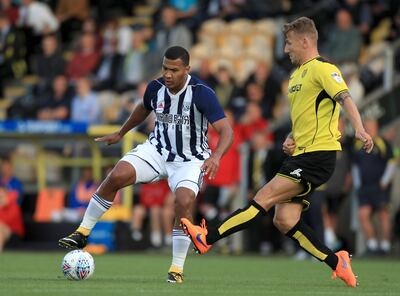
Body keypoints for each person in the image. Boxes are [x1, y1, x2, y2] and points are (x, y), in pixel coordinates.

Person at [181, 17, 374, 288]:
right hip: (301, 154)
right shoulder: (296, 76)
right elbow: (306, 116)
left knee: (263, 197)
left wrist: (360, 129)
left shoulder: (323, 68)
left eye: (289, 43)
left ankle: (207, 238)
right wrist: (292, 137)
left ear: (305, 41)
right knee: (284, 220)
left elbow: (345, 98)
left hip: (318, 155)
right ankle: (337, 262)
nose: (285, 50)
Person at [59, 46, 233, 283]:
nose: (168, 74)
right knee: (117, 174)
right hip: (157, 151)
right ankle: (82, 232)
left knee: (183, 202)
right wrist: (121, 132)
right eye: (165, 68)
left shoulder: (202, 93)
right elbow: (143, 108)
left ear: (187, 70)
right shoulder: (156, 87)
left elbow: (226, 131)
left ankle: (176, 269)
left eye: (174, 69)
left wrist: (216, 156)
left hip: (190, 160)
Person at [352, 118, 396, 255]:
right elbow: (355, 166)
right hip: (364, 187)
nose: (369, 129)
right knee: (363, 215)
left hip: (380, 187)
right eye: (366, 127)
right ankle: (372, 245)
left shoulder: (383, 143)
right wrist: (357, 183)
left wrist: (385, 180)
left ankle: (385, 246)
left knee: (383, 215)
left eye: (371, 127)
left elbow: (392, 162)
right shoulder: (358, 145)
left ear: (376, 127)